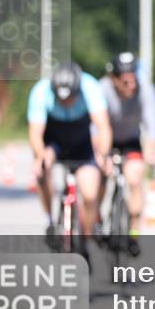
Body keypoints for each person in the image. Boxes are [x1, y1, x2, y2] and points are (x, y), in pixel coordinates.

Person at [28, 62, 112, 256]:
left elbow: (104, 126)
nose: (66, 102)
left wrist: (103, 154)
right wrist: (41, 156)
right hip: (54, 141)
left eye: (71, 98)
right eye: (61, 98)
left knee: (90, 194)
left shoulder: (90, 87)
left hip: (82, 141)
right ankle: (51, 220)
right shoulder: (41, 91)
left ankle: (86, 237)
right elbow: (35, 133)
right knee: (41, 167)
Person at [99, 52, 155, 255]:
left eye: (134, 80)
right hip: (105, 140)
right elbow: (95, 126)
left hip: (131, 141)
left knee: (135, 179)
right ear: (114, 79)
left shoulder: (145, 89)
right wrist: (102, 155)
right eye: (125, 82)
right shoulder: (102, 89)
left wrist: (152, 149)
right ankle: (98, 221)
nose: (131, 86)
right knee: (99, 178)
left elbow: (152, 121)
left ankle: (133, 233)